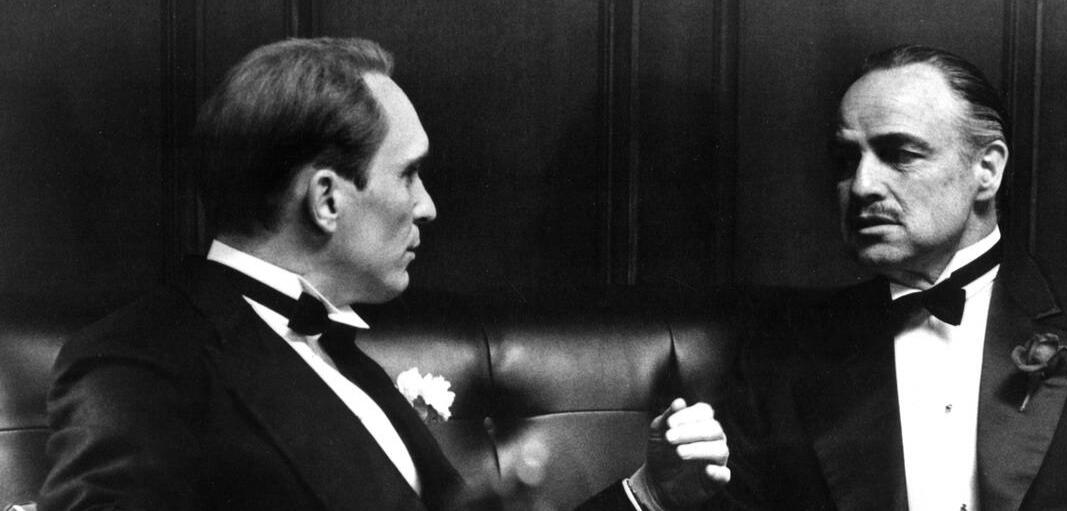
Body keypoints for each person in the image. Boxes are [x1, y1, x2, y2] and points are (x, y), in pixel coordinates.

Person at [39, 37, 727, 511]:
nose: (428, 207)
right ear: (327, 198)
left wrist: (646, 493)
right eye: (409, 174)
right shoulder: (136, 362)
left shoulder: (342, 358)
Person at [703, 44, 1067, 510]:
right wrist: (662, 492)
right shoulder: (784, 349)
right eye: (848, 161)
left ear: (987, 170)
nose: (863, 185)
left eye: (899, 154)